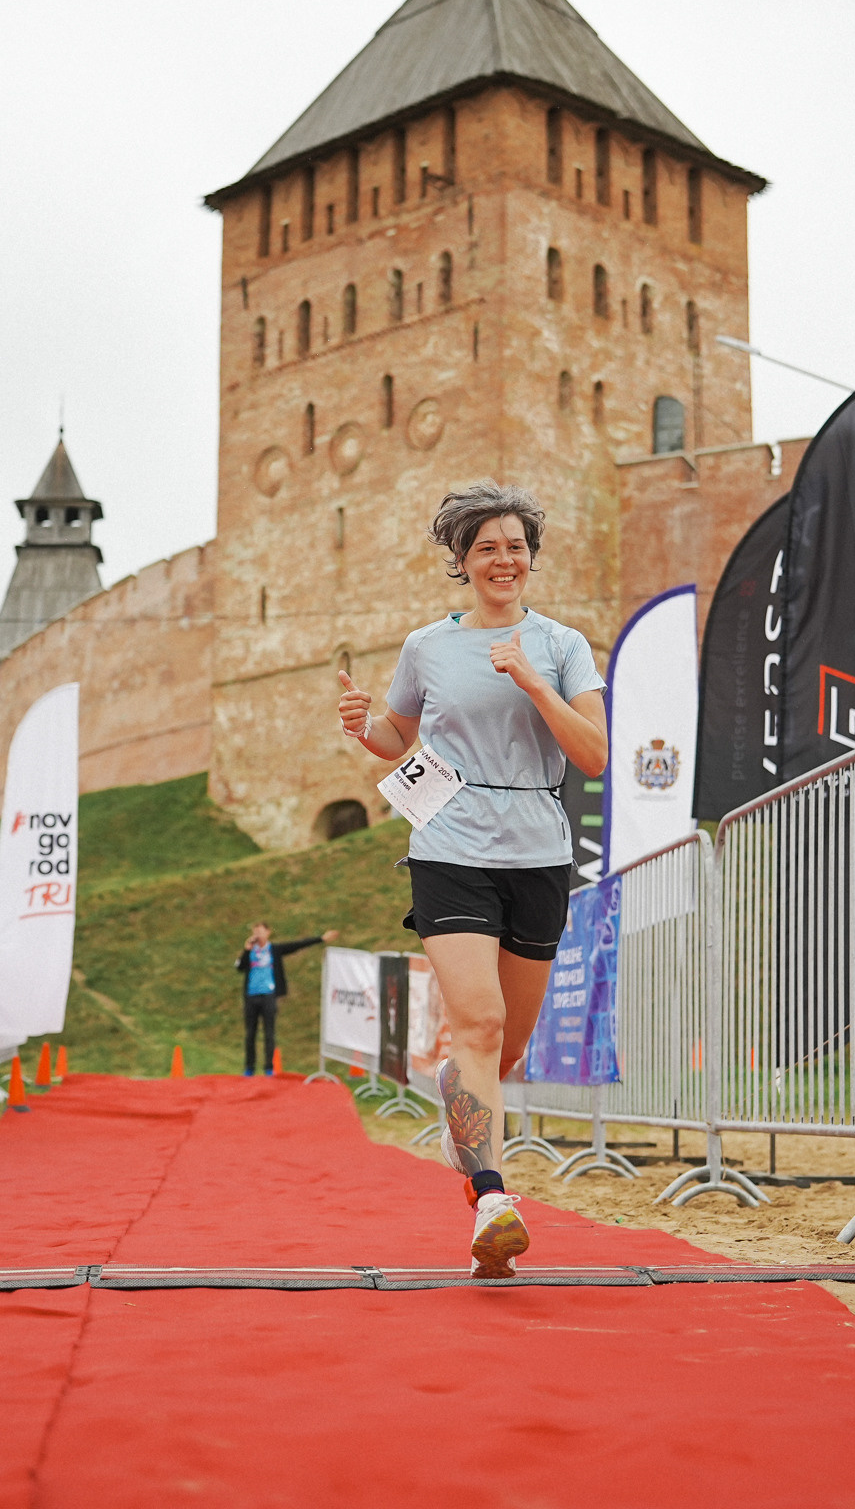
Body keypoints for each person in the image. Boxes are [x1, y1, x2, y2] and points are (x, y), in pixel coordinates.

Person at [335, 481, 608, 1278]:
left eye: (515, 546)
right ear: (462, 561)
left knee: (504, 1049)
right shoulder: (428, 646)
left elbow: (590, 754)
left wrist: (531, 680)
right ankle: (492, 1196)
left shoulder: (561, 645)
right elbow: (398, 736)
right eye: (485, 547)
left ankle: (465, 1104)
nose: (503, 559)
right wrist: (365, 729)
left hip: (537, 851)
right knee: (479, 1024)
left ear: (532, 558)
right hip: (449, 846)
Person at [237, 922, 336, 1076]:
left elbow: (297, 945)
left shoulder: (274, 950)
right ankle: (249, 1067)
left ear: (268, 932)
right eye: (255, 931)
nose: (257, 934)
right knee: (250, 1033)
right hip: (251, 996)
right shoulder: (250, 951)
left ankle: (268, 1068)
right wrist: (246, 950)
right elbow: (240, 967)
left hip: (268, 995)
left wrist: (321, 939)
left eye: (260, 931)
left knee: (269, 1033)